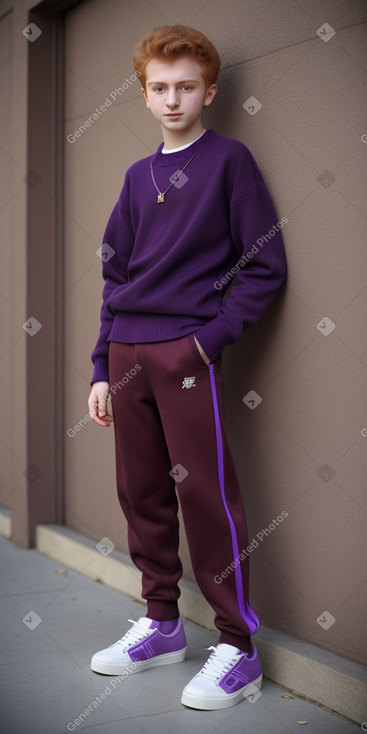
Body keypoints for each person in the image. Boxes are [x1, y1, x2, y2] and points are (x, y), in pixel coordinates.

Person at [88, 24, 287, 711]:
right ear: (143, 95)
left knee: (204, 496)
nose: (172, 99)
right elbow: (115, 278)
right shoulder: (134, 178)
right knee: (139, 493)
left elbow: (264, 266)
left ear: (208, 90)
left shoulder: (229, 162)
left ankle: (236, 647)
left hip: (183, 357)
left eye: (185, 87)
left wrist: (204, 344)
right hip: (125, 357)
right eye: (159, 88)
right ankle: (162, 625)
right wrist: (98, 367)